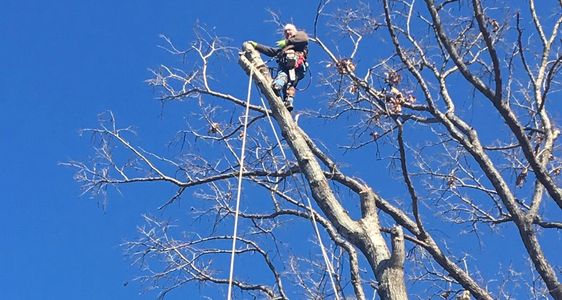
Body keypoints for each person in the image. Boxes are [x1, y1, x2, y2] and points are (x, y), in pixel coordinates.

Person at [250, 24, 308, 111]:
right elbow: (271, 51)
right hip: (287, 65)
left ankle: (278, 85)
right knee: (289, 85)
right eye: (285, 32)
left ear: (295, 31)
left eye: (289, 30)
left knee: (284, 76)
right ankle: (288, 101)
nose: (287, 32)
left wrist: (287, 42)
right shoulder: (284, 48)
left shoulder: (300, 38)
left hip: (296, 65)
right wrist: (257, 46)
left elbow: (304, 39)